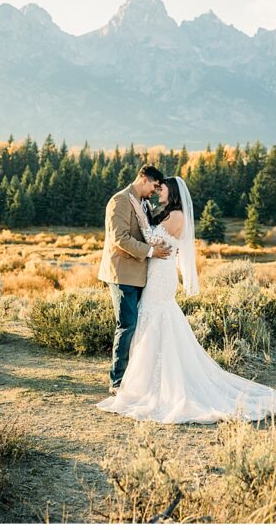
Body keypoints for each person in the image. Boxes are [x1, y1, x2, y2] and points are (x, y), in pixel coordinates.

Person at [96, 176, 276, 423]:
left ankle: (154, 384)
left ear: (173, 191)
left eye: (162, 188)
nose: (158, 192)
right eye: (156, 187)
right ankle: (141, 380)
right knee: (149, 321)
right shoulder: (165, 213)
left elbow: (152, 240)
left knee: (155, 319)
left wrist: (139, 211)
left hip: (160, 276)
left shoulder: (177, 216)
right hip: (154, 273)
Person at [97, 165, 171, 393]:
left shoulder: (144, 204)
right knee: (127, 325)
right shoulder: (119, 201)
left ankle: (134, 377)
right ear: (143, 179)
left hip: (140, 274)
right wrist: (151, 252)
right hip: (123, 273)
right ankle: (117, 381)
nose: (155, 191)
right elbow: (120, 238)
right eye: (154, 186)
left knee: (137, 326)